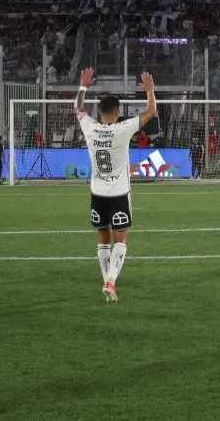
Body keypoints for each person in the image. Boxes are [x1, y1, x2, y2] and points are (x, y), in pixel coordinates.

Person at [75, 67, 156, 303]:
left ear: (98, 112)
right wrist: (150, 91)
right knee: (121, 239)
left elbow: (78, 109)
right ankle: (111, 281)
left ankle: (106, 280)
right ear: (118, 112)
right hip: (119, 192)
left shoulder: (90, 128)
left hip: (97, 192)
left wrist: (83, 86)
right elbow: (151, 111)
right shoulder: (122, 129)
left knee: (102, 236)